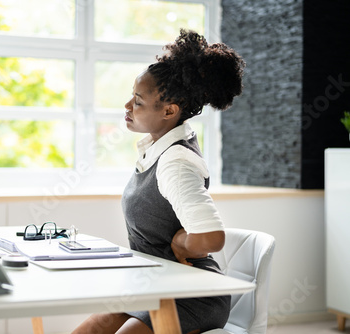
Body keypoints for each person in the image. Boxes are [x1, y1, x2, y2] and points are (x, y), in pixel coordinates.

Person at [72, 29, 245, 334]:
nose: (127, 106)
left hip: (193, 294)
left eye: (137, 102)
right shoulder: (157, 149)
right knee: (89, 330)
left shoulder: (175, 163)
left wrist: (182, 242)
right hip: (156, 285)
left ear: (169, 111)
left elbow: (210, 239)